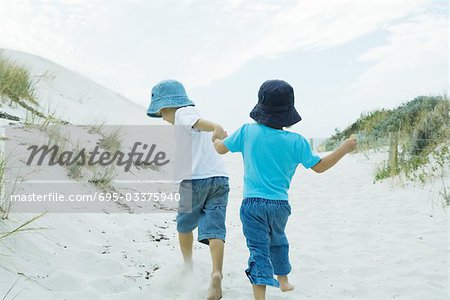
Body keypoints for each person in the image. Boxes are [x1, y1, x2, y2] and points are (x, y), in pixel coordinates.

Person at [213, 79, 357, 300]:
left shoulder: (247, 132)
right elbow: (320, 167)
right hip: (280, 204)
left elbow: (221, 149)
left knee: (258, 249)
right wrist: (343, 149)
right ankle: (283, 279)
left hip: (252, 204)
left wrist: (216, 139)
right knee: (278, 239)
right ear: (288, 111)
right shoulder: (297, 141)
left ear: (261, 107)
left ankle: (259, 296)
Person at [147, 79, 229, 300]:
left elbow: (197, 122)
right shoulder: (191, 113)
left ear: (168, 106)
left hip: (194, 182)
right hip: (220, 179)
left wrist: (215, 127)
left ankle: (188, 265)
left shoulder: (184, 113)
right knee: (215, 229)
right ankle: (216, 273)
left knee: (184, 226)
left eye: (162, 113)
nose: (163, 118)